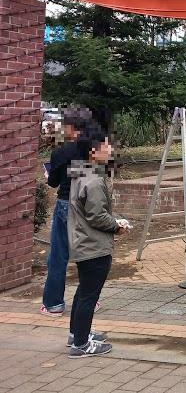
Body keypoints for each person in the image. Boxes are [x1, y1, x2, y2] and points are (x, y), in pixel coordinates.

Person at [67, 124, 131, 357]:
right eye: (106, 145)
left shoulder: (81, 172)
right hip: (93, 245)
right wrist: (117, 226)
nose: (110, 148)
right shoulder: (93, 180)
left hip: (83, 242)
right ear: (94, 151)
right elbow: (97, 215)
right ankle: (81, 345)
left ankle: (77, 334)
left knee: (83, 292)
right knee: (89, 295)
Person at [41, 107, 97, 318]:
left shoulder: (61, 152)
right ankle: (90, 299)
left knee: (59, 256)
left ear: (71, 127)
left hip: (66, 204)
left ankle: (54, 304)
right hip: (90, 205)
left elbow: (53, 182)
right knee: (90, 253)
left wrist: (51, 172)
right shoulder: (96, 149)